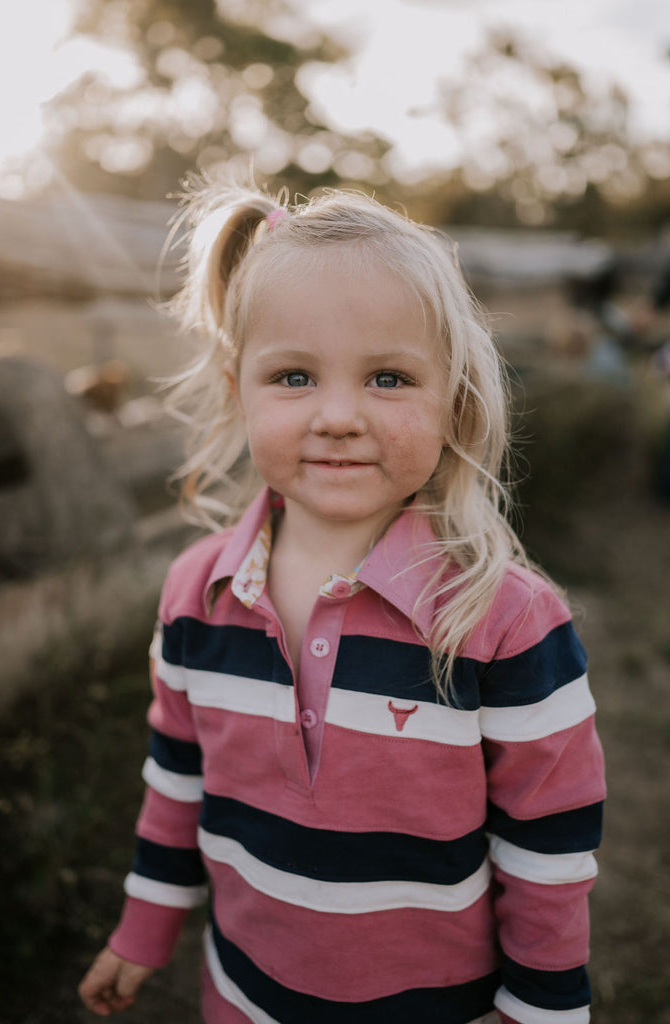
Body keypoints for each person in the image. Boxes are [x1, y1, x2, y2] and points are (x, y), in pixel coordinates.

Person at [78, 184, 606, 1024]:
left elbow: (549, 847)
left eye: (387, 378)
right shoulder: (196, 594)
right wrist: (144, 926)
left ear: (454, 401)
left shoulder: (500, 618)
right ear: (237, 388)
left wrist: (541, 1009)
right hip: (245, 1000)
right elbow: (178, 779)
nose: (335, 417)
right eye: (292, 376)